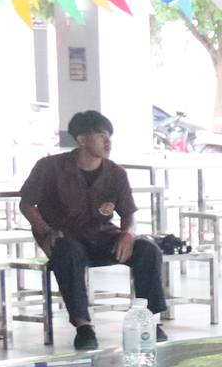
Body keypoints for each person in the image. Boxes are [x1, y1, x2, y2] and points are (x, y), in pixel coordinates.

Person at [17, 110, 169, 351]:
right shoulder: (50, 167)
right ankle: (83, 326)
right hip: (65, 237)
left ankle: (149, 319)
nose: (107, 142)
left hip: (102, 236)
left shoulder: (116, 173)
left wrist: (128, 234)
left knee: (147, 250)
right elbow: (27, 204)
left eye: (109, 136)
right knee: (68, 252)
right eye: (100, 136)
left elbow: (129, 213)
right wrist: (45, 231)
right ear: (81, 139)